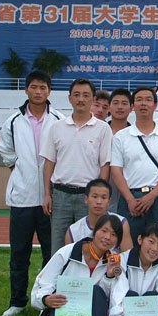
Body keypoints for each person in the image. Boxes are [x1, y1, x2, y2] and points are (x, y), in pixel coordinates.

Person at [0, 70, 65, 316]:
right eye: (34, 87)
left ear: (49, 91)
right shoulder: (13, 121)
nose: (38, 92)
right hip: (22, 199)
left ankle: (46, 301)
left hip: (51, 200)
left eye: (43, 87)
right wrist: (22, 173)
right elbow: (6, 152)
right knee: (19, 254)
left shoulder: (59, 119)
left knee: (52, 255)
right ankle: (17, 301)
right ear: (26, 89)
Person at [31, 215, 125, 316]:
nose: (107, 237)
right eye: (104, 231)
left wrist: (109, 276)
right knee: (62, 292)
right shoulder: (67, 252)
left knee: (96, 290)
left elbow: (109, 298)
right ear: (95, 231)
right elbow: (42, 286)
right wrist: (45, 299)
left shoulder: (113, 261)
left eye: (113, 234)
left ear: (117, 240)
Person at [40, 78, 113, 254]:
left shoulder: (103, 129)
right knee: (58, 248)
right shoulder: (57, 127)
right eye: (77, 95)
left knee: (89, 248)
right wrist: (47, 194)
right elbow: (49, 162)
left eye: (86, 95)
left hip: (87, 198)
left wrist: (99, 196)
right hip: (60, 196)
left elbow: (105, 165)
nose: (81, 99)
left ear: (93, 99)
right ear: (70, 98)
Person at [111, 87, 158, 242]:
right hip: (130, 199)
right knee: (128, 244)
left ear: (155, 105)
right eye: (139, 100)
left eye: (148, 100)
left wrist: (152, 196)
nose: (143, 103)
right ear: (132, 106)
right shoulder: (121, 137)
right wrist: (129, 199)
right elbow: (116, 171)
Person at [64, 178, 133, 253]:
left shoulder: (121, 223)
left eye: (103, 198)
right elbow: (69, 258)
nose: (99, 202)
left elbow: (128, 256)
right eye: (95, 196)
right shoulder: (73, 231)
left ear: (109, 201)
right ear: (86, 199)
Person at [107, 89, 133, 212]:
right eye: (116, 103)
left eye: (124, 103)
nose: (120, 107)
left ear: (131, 107)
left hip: (128, 186)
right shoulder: (99, 131)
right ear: (109, 106)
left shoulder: (135, 134)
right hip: (104, 183)